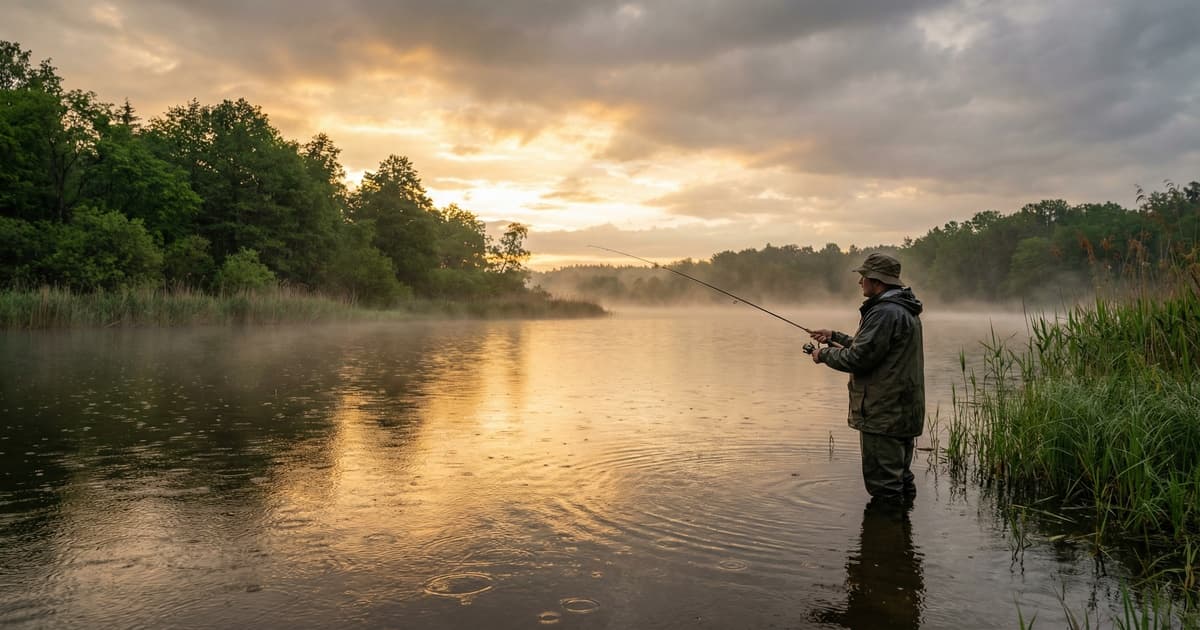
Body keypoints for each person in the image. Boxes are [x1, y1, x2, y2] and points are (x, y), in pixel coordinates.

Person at [809, 252, 925, 500]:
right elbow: (872, 348)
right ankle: (903, 534)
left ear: (877, 281)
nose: (860, 282)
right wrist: (835, 337)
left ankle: (886, 536)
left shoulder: (884, 312)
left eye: (863, 277)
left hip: (883, 414)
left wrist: (823, 355)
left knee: (884, 488)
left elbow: (858, 359)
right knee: (900, 479)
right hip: (900, 411)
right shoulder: (901, 308)